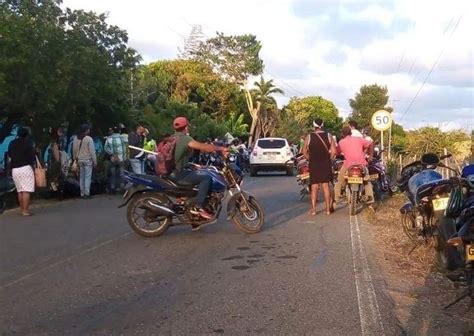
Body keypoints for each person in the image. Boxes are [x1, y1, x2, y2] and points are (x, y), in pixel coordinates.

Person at [172, 117, 228, 222]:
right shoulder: (185, 139)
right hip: (179, 174)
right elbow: (203, 147)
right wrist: (221, 148)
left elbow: (179, 159)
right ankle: (199, 206)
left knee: (198, 173)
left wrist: (193, 166)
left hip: (175, 172)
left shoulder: (173, 138)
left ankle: (193, 216)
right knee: (206, 178)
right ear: (186, 128)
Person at [302, 118, 337, 216]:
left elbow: (304, 152)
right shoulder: (329, 136)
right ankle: (327, 210)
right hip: (325, 164)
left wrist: (310, 159)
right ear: (322, 125)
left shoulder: (309, 137)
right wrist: (328, 159)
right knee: (325, 186)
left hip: (314, 164)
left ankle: (313, 210)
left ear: (314, 126)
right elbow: (334, 152)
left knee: (314, 187)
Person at [335, 125, 374, 203]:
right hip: (361, 164)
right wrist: (371, 156)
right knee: (366, 180)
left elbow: (337, 152)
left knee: (339, 181)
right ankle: (370, 197)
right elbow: (371, 144)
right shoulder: (359, 139)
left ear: (342, 134)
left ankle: (337, 197)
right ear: (350, 133)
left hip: (348, 165)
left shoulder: (341, 142)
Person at [7, 127, 35, 216]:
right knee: (26, 190)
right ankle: (26, 211)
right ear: (27, 134)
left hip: (15, 169)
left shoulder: (12, 143)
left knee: (20, 190)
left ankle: (22, 209)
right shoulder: (28, 143)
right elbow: (31, 157)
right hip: (25, 168)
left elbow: (9, 154)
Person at [73, 124, 97, 199]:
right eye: (88, 129)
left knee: (81, 177)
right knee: (87, 177)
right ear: (86, 130)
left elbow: (74, 150)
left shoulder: (75, 138)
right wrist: (95, 161)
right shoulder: (89, 139)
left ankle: (82, 193)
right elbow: (92, 151)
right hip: (87, 160)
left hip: (79, 160)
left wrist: (75, 159)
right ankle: (87, 193)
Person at [104, 127, 126, 193]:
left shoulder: (109, 138)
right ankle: (122, 188)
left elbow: (105, 148)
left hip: (113, 159)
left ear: (113, 131)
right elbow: (126, 147)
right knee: (122, 173)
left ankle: (113, 188)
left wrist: (112, 154)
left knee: (113, 174)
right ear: (119, 131)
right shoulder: (123, 138)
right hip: (122, 159)